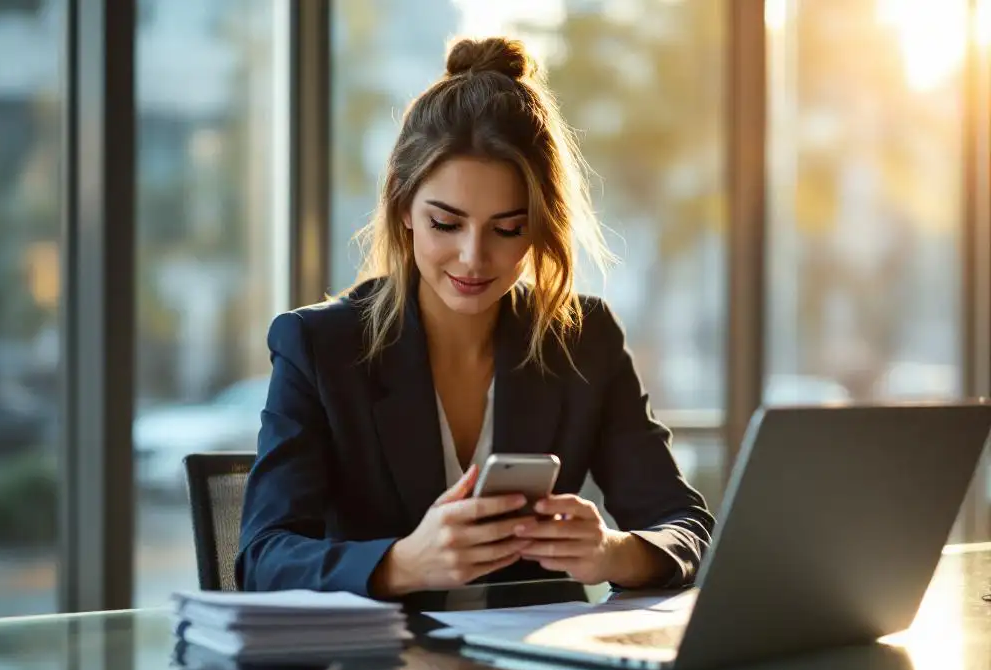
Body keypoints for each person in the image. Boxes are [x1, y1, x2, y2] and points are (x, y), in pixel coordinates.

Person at [237, 36, 713, 598]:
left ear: (538, 227)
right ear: (404, 208)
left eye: (507, 229)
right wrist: (404, 564)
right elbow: (263, 558)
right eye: (446, 224)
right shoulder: (320, 346)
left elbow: (687, 528)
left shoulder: (583, 342)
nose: (473, 257)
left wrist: (613, 551)